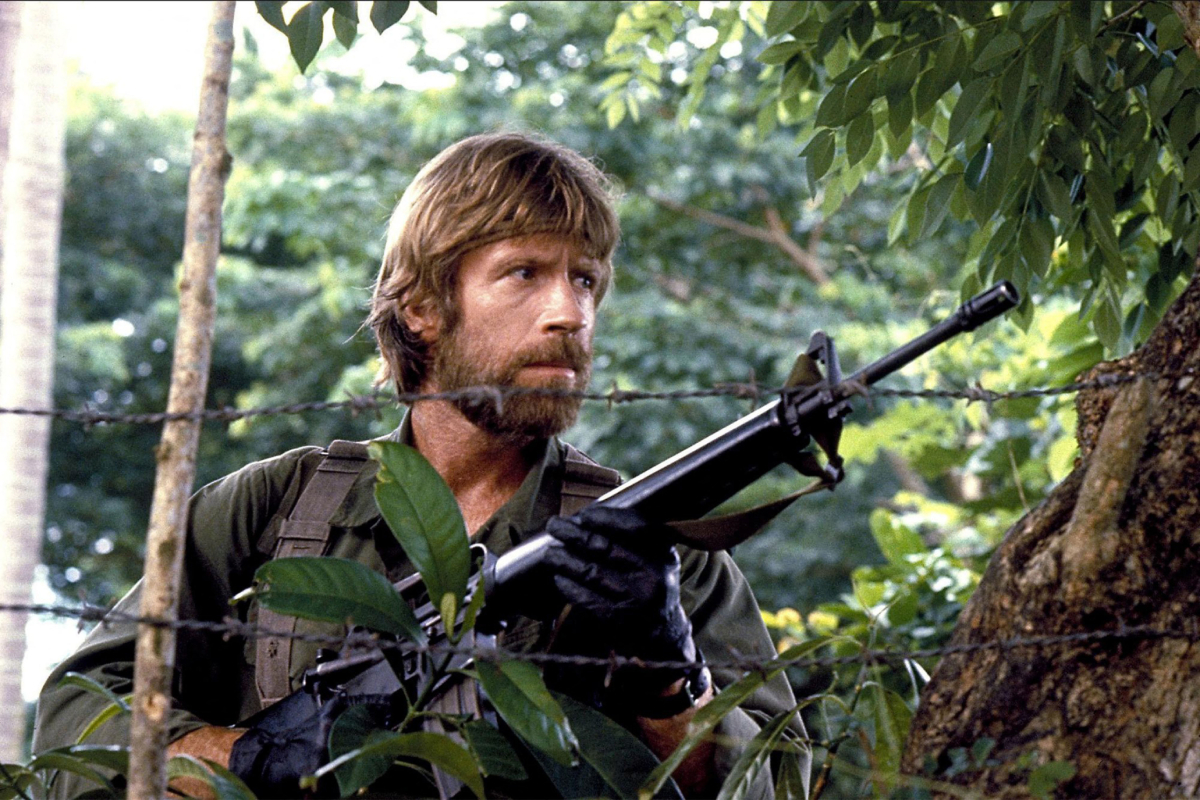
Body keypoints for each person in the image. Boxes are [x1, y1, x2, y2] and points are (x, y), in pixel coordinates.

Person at [33, 132, 808, 798]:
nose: (570, 313)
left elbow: (785, 781)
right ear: (423, 306)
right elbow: (76, 715)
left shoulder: (648, 549)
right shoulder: (275, 511)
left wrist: (670, 680)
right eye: (524, 273)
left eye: (585, 279)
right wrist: (247, 761)